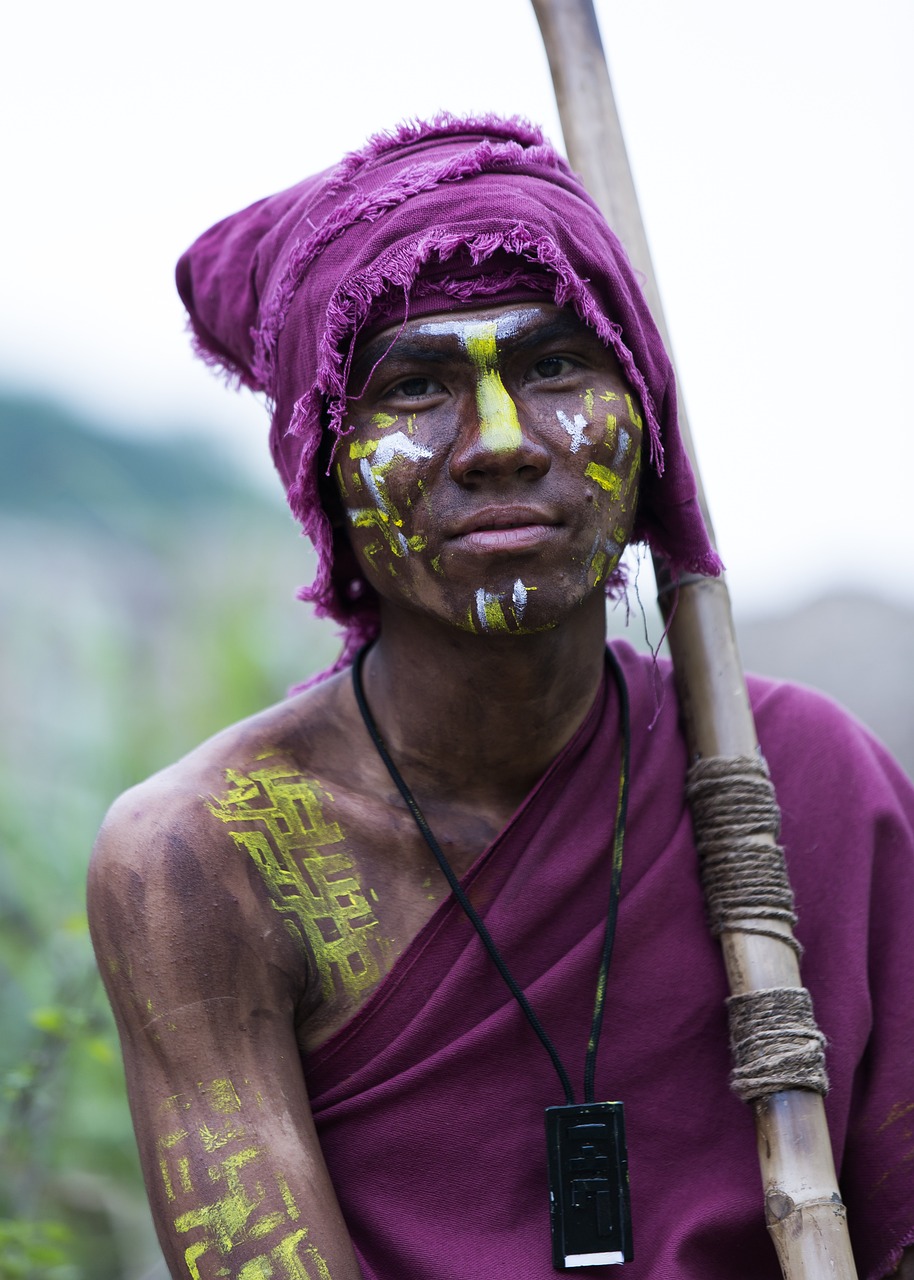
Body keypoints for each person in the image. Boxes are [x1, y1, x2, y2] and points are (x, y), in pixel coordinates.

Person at [87, 116, 914, 1280]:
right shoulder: (203, 858)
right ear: (317, 463)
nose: (499, 442)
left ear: (646, 428)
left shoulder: (803, 777)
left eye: (553, 366)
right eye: (414, 384)